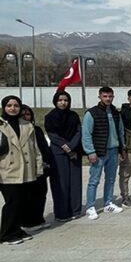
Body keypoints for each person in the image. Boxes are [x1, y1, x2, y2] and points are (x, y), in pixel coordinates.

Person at [0, 96, 43, 245]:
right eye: (9, 105)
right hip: (7, 170)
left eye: (16, 105)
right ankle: (6, 234)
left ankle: (16, 229)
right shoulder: (0, 125)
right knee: (12, 202)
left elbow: (35, 148)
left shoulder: (27, 125)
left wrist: (38, 167)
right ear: (4, 107)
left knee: (22, 202)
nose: (13, 108)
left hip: (26, 169)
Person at [82, 87, 125, 220]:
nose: (108, 99)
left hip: (113, 151)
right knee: (94, 180)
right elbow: (86, 134)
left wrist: (122, 149)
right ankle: (90, 207)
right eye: (105, 96)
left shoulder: (116, 113)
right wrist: (90, 152)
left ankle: (108, 203)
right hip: (99, 152)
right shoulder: (92, 113)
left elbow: (121, 131)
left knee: (111, 179)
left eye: (110, 96)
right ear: (99, 97)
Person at [44, 91, 82, 222]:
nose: (63, 102)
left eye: (65, 100)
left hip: (74, 152)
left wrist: (71, 146)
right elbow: (52, 134)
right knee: (60, 183)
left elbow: (78, 131)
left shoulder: (73, 115)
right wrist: (65, 146)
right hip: (58, 153)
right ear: (55, 101)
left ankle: (75, 210)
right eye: (60, 100)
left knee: (75, 183)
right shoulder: (50, 116)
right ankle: (61, 213)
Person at [19, 105, 52, 232]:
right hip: (27, 168)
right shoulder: (18, 130)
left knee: (41, 193)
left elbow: (43, 147)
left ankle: (38, 218)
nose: (26, 117)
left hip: (40, 167)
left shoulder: (36, 129)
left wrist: (46, 162)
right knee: (29, 196)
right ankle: (27, 221)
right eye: (23, 115)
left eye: (28, 114)